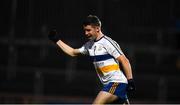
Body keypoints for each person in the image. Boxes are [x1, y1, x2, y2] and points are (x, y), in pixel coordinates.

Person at [48, 15, 135, 104]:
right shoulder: (89, 45)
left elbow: (124, 60)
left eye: (88, 30)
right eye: (85, 30)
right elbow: (72, 52)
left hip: (117, 83)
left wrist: (130, 81)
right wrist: (56, 40)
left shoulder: (107, 42)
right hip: (110, 85)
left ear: (97, 28)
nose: (86, 33)